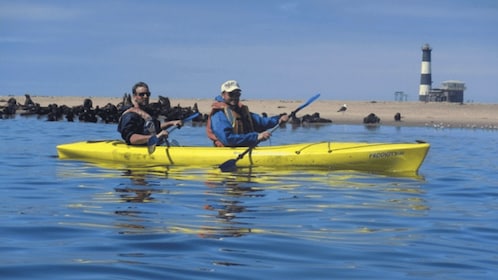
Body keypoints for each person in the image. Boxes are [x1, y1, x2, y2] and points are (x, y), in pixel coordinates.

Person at [206, 80, 289, 147]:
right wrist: (256, 137)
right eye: (231, 94)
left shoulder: (240, 110)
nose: (235, 97)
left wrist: (279, 119)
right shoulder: (219, 114)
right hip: (227, 151)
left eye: (237, 94)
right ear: (223, 95)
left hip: (243, 148)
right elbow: (227, 139)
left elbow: (261, 122)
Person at [118, 81, 182, 145]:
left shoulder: (147, 112)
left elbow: (155, 127)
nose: (145, 97)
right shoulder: (130, 116)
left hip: (153, 146)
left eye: (147, 94)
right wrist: (155, 137)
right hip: (139, 149)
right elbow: (131, 138)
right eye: (141, 94)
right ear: (134, 97)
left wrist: (172, 123)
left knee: (174, 142)